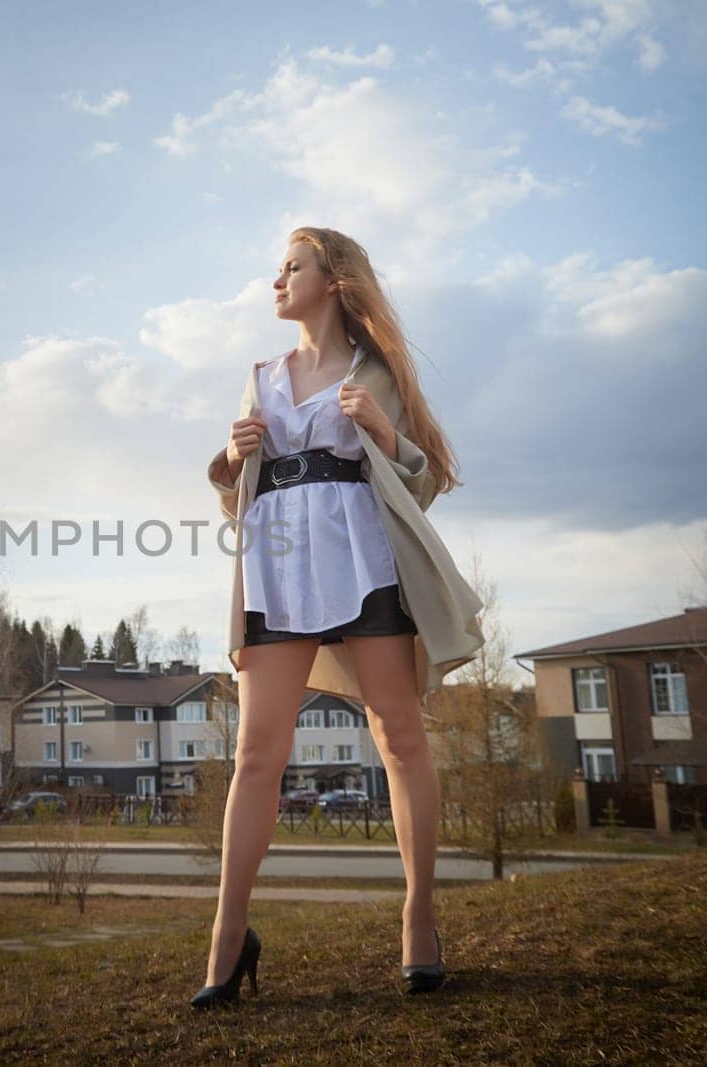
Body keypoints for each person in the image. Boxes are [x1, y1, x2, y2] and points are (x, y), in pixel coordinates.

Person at [190, 226, 485, 1008]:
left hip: (365, 556)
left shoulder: (379, 373)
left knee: (399, 731)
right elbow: (237, 493)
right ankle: (228, 934)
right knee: (258, 752)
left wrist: (385, 433)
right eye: (277, 268)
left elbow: (421, 481)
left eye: (291, 266)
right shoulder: (260, 375)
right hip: (278, 560)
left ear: (334, 277)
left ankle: (419, 916)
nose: (276, 279)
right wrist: (229, 459)